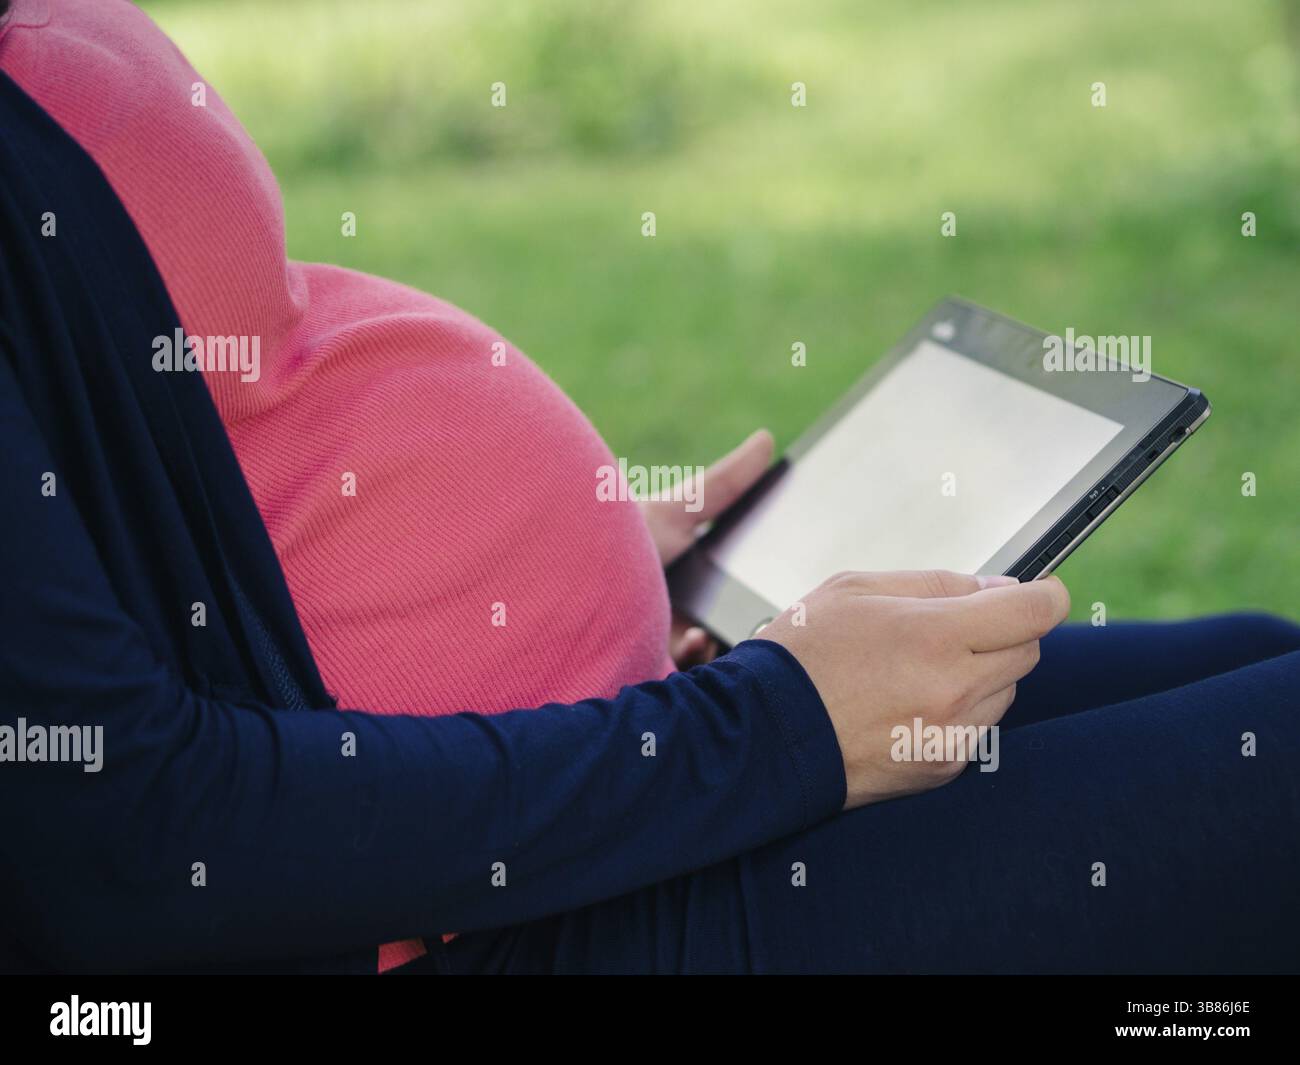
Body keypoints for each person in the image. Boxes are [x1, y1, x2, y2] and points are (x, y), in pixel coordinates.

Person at [1, 0, 1297, 974]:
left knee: (1255, 657)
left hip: (604, 743)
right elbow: (132, 835)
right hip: (456, 913)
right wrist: (779, 724)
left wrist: (571, 559)